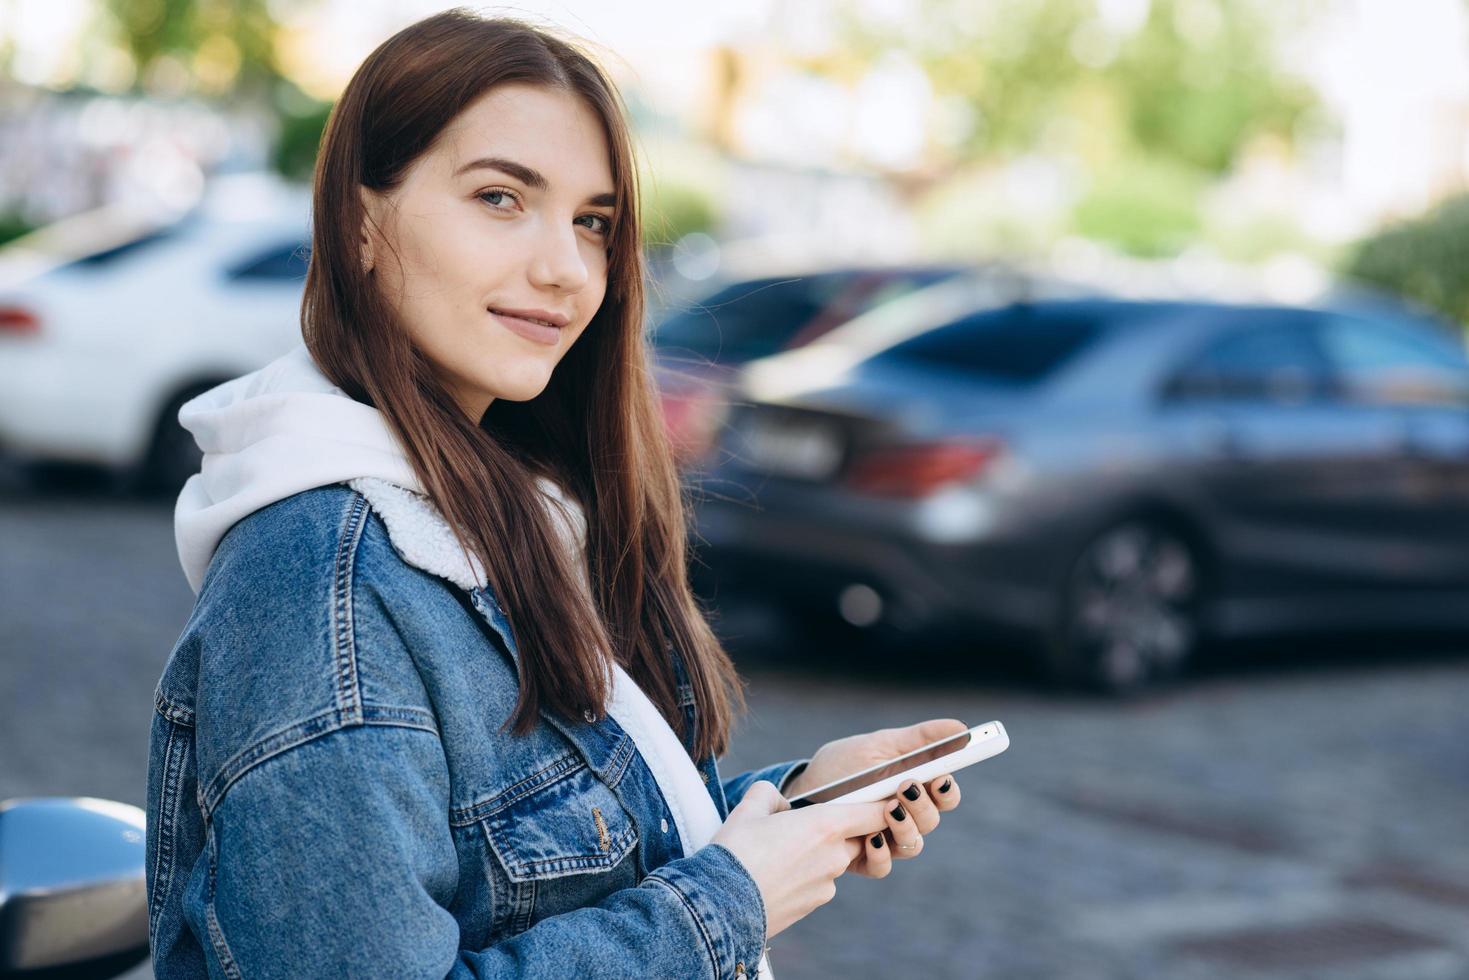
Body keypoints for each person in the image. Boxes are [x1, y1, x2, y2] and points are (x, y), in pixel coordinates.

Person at [144, 10, 965, 978]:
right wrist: (730, 897)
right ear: (361, 220)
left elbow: (526, 858)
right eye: (500, 197)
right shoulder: (320, 583)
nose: (565, 269)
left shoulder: (518, 504)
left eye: (592, 222)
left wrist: (787, 810)